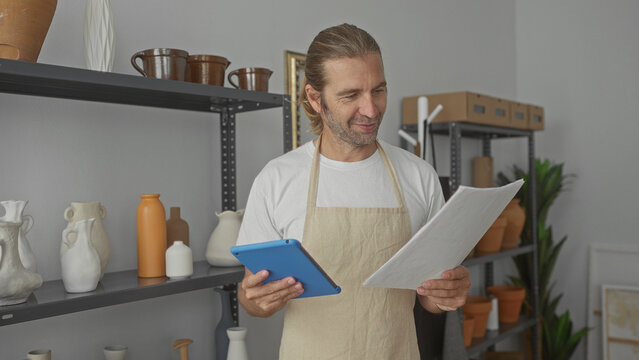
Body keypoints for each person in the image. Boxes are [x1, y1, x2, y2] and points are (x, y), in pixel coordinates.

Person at [236, 23, 470, 359]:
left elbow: (429, 298)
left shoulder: (419, 176)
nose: (371, 110)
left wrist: (447, 292)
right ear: (315, 98)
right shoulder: (277, 179)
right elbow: (253, 298)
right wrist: (254, 301)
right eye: (351, 95)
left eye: (378, 90)